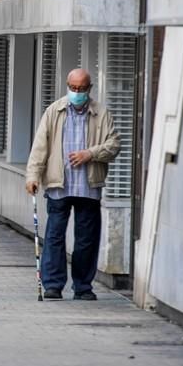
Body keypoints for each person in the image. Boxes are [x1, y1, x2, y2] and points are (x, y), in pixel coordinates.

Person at [25, 68, 120, 301]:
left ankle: (83, 287)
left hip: (89, 186)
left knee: (86, 238)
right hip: (60, 184)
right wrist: (33, 176)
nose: (77, 92)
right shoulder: (54, 111)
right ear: (68, 86)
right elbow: (40, 147)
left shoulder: (102, 113)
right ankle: (53, 285)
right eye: (73, 88)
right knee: (55, 236)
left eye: (82, 88)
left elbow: (114, 144)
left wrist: (91, 153)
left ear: (90, 88)